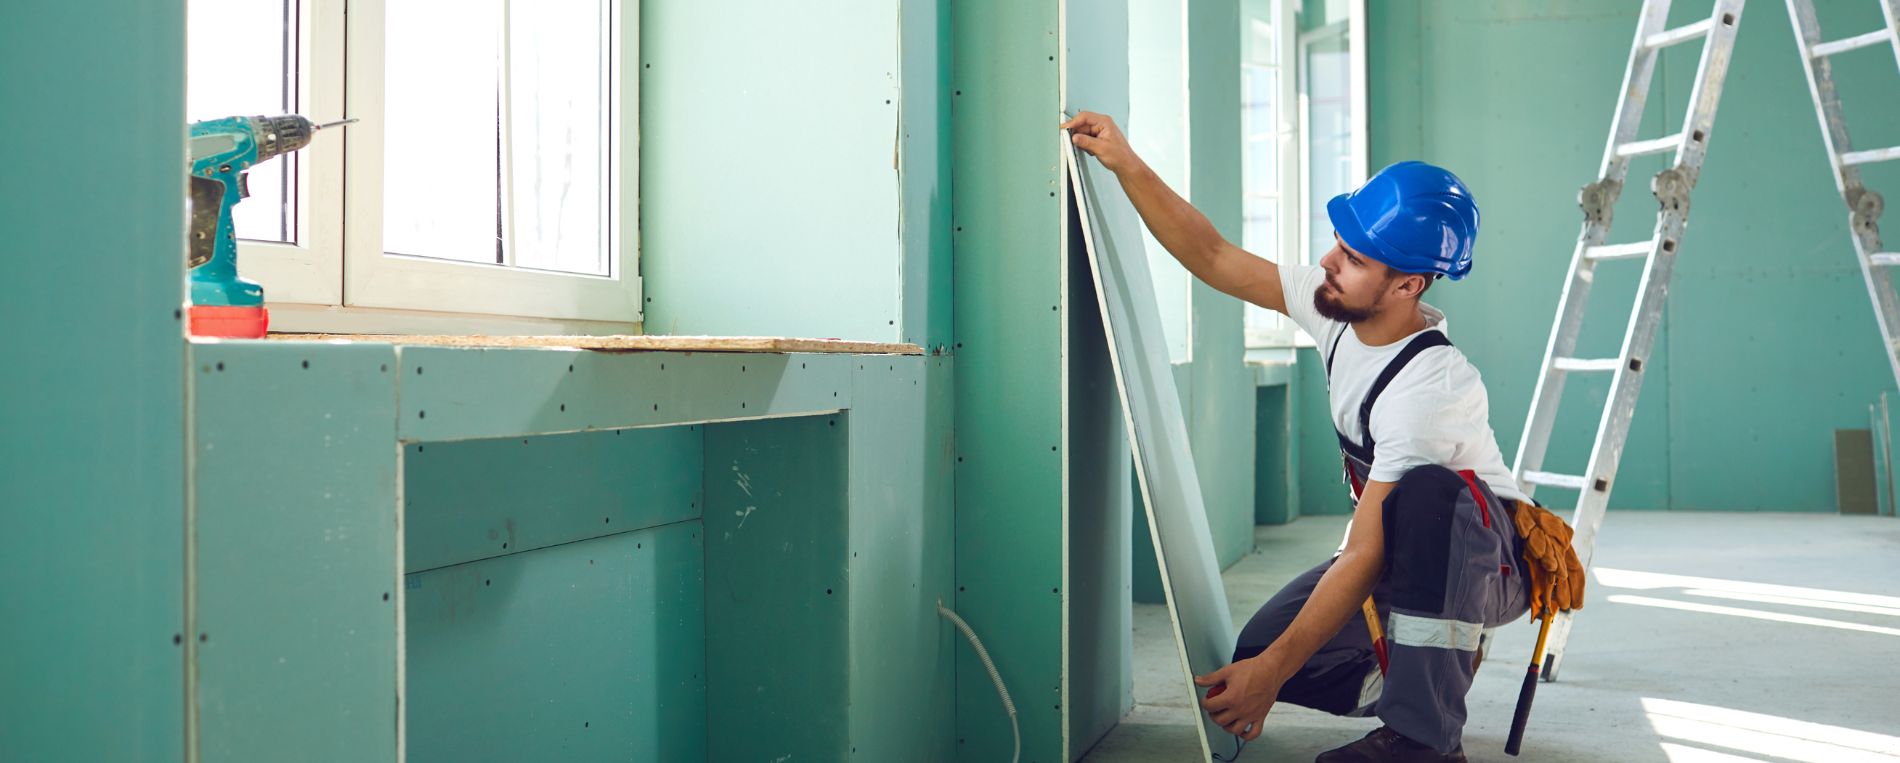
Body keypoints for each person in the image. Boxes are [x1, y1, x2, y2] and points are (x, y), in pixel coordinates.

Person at [1061, 112, 1583, 763]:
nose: (1328, 262)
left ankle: (1421, 739)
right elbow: (1216, 256)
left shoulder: (1432, 387)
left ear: (1408, 285)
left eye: (1354, 257)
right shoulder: (1338, 305)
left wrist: (1274, 674)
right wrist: (1124, 162)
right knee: (1259, 652)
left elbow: (1364, 552)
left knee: (1422, 497)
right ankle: (1427, 672)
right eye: (1338, 241)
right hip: (1406, 551)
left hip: (1487, 559)